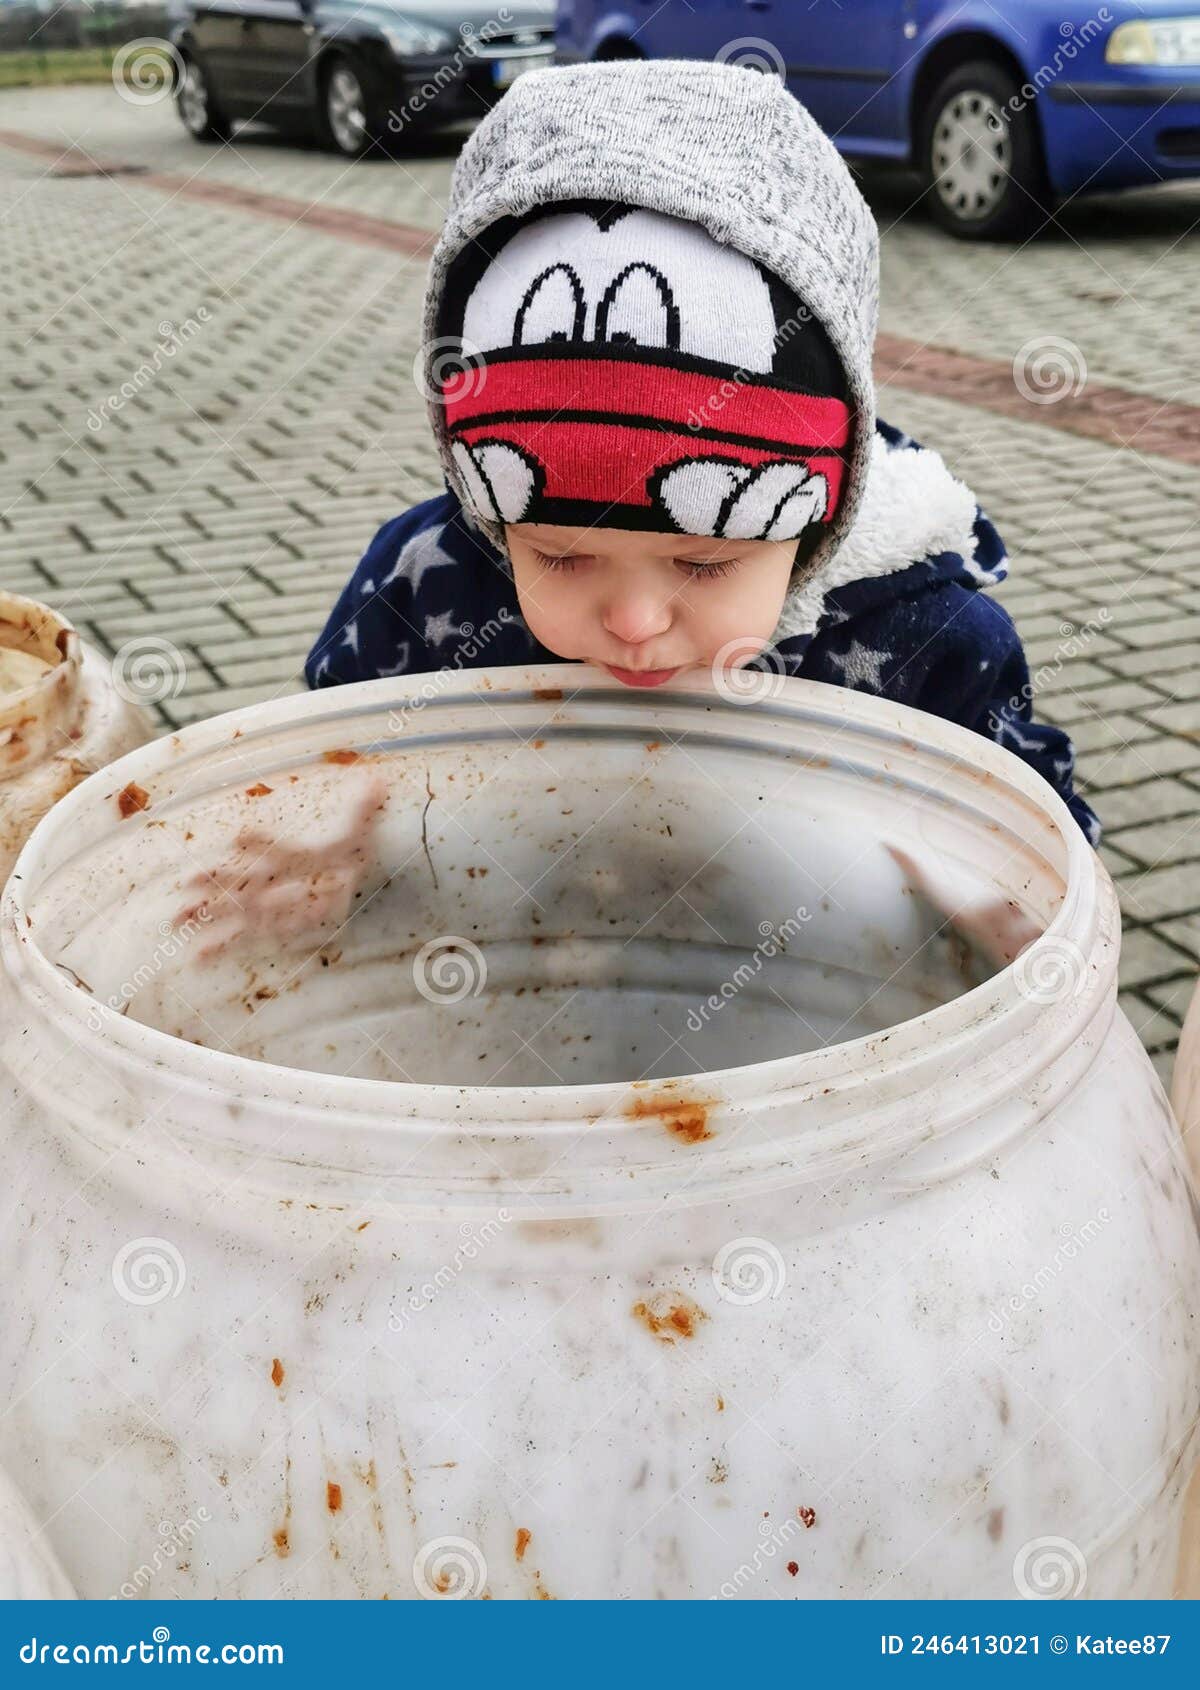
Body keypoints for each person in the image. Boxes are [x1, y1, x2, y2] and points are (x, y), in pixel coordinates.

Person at [305, 57, 1099, 845]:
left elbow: (1027, 848)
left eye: (704, 563)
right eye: (560, 556)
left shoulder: (928, 644)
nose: (636, 622)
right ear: (485, 496)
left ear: (819, 514)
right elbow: (318, 785)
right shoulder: (419, 592)